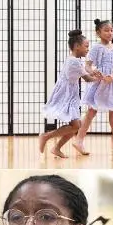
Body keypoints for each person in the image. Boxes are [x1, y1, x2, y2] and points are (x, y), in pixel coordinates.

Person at [39, 29, 100, 158]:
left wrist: (93, 73)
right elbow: (87, 78)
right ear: (77, 47)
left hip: (70, 94)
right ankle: (46, 137)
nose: (88, 49)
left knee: (76, 126)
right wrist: (101, 79)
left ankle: (56, 148)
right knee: (76, 126)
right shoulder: (74, 61)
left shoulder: (74, 60)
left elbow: (85, 73)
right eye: (86, 46)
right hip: (66, 95)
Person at [74, 19, 113, 155]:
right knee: (91, 112)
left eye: (111, 30)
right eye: (106, 30)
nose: (110, 33)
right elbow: (87, 65)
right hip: (99, 83)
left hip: (111, 83)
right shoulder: (96, 48)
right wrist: (93, 71)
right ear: (98, 32)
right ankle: (79, 140)